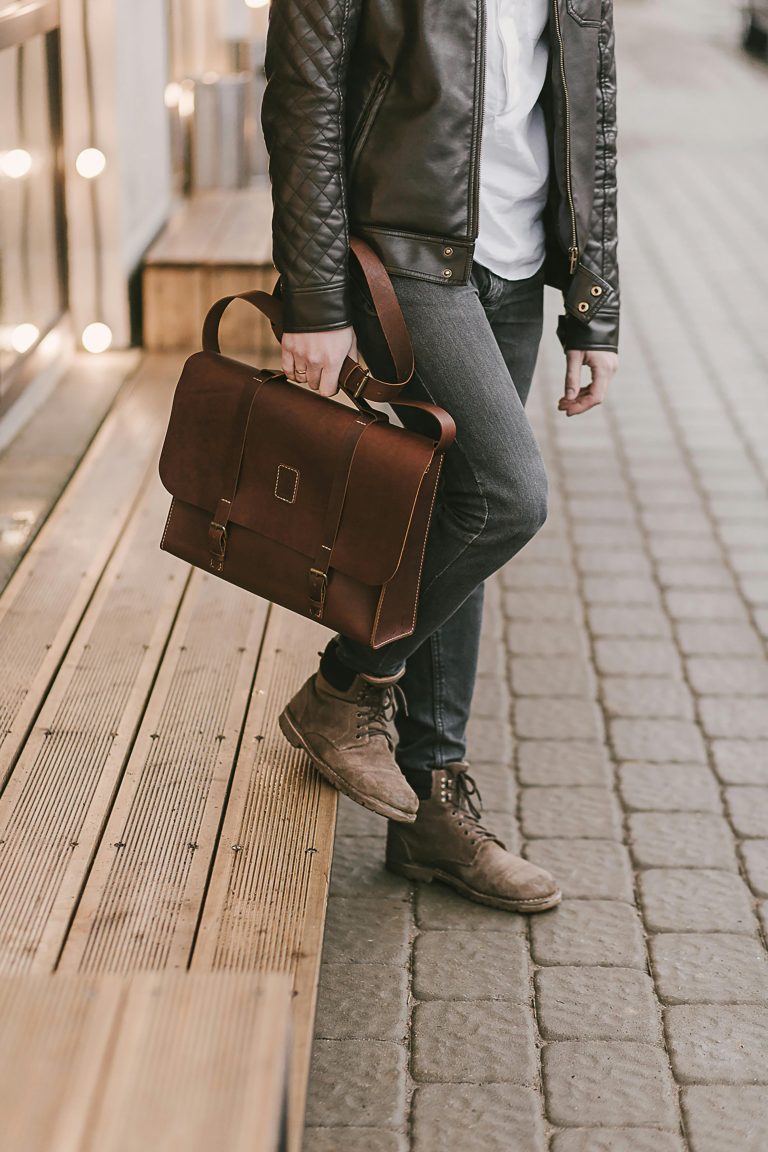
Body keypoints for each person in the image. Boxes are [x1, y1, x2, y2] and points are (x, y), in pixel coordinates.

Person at [261, 0, 619, 914]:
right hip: (405, 257)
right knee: (505, 500)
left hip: (517, 259)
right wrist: (313, 296)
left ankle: (428, 805)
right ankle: (344, 688)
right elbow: (303, 98)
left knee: (456, 518)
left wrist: (594, 303)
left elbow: (594, 106)